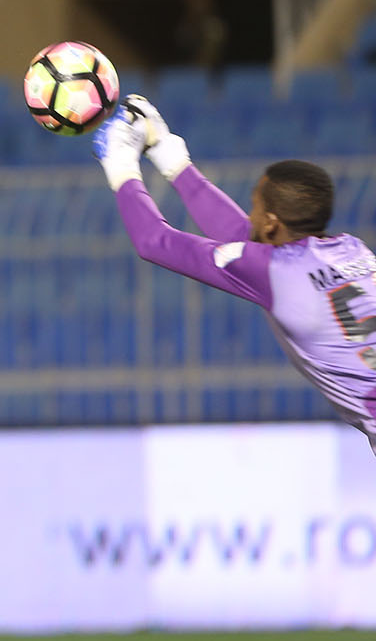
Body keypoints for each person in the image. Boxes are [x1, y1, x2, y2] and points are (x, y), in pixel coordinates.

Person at [94, 96, 376, 446]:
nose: (250, 216)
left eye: (255, 206)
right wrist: (169, 155)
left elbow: (154, 241)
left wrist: (121, 166)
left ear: (271, 223)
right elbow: (244, 236)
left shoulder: (274, 271)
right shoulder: (355, 251)